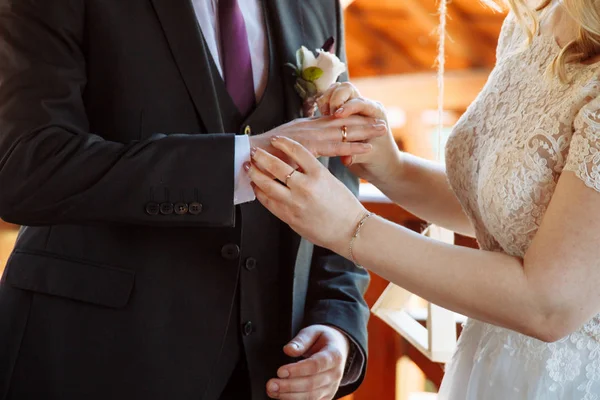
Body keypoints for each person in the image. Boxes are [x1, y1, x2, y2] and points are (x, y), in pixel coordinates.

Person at [0, 1, 381, 399]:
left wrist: (338, 323)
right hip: (92, 359)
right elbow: (27, 167)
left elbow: (336, 184)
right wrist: (242, 161)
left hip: (270, 373)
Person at [245, 0, 600, 398]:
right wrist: (391, 167)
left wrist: (351, 228)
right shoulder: (533, 20)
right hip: (490, 367)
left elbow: (549, 305)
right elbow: (515, 207)